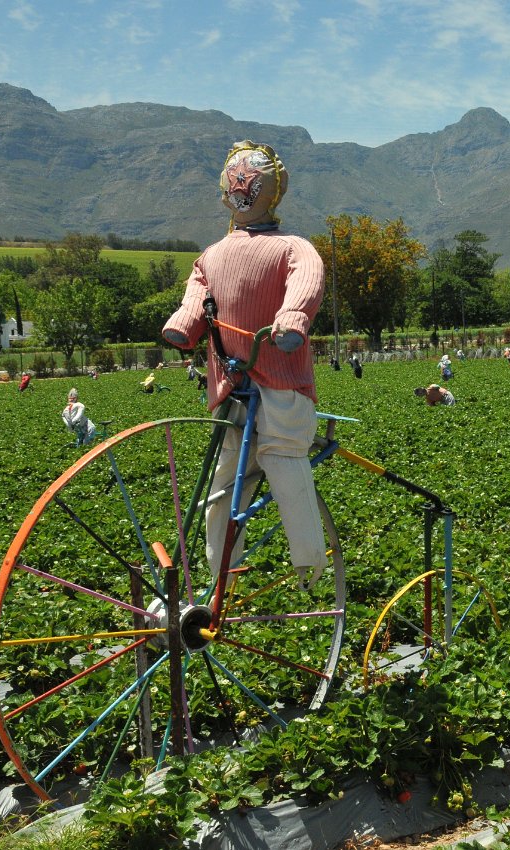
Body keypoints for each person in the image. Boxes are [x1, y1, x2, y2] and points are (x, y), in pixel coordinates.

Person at [162, 140, 329, 591]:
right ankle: (310, 564)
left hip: (228, 382)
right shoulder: (293, 247)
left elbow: (196, 297)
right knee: (285, 453)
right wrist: (291, 321)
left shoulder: (212, 254)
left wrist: (183, 324)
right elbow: (307, 282)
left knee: (226, 476)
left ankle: (219, 575)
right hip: (279, 379)